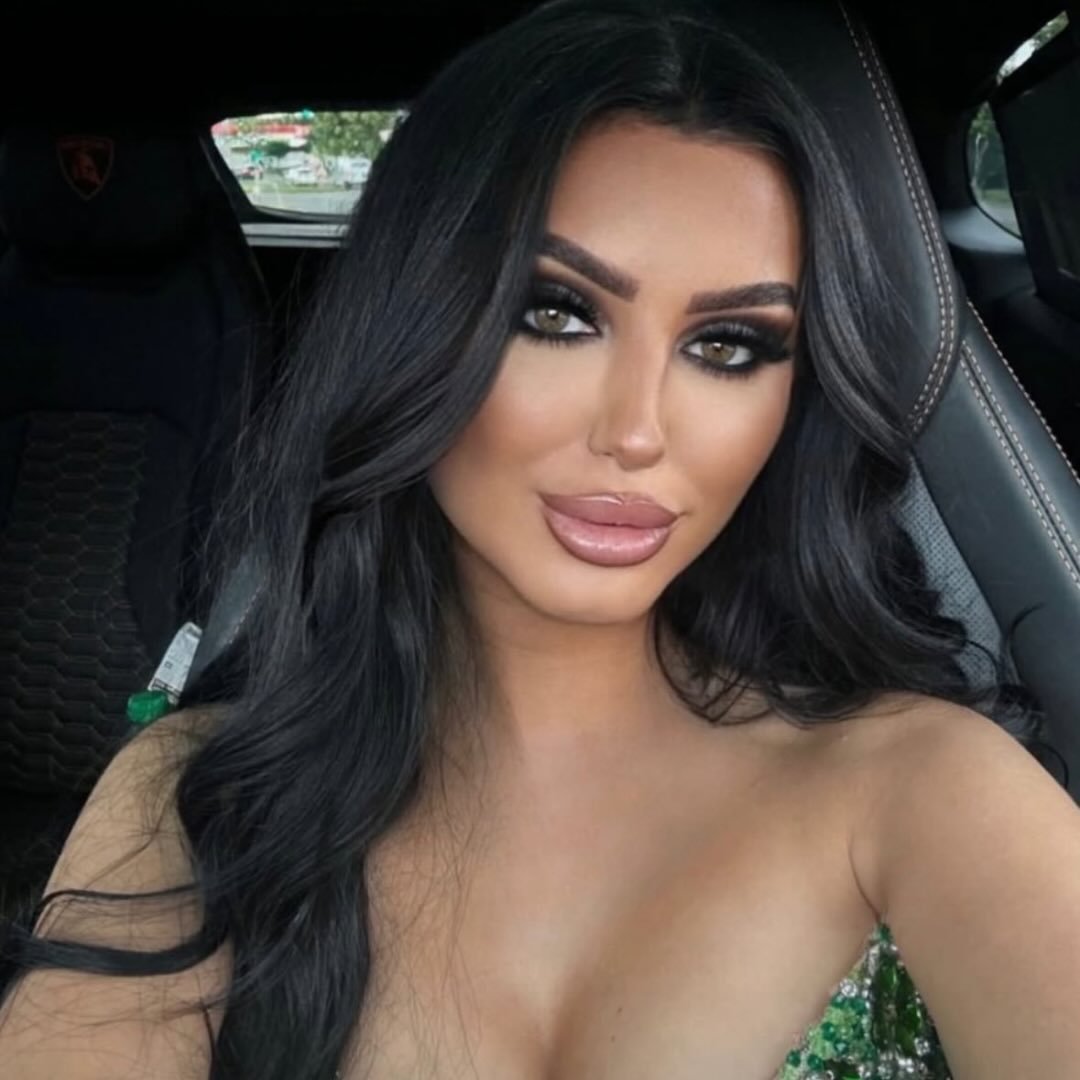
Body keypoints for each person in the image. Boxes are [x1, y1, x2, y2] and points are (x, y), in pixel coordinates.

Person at [3, 1, 1080, 1077]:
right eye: (556, 314)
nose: (638, 432)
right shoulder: (196, 797)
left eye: (728, 345)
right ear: (416, 331)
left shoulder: (927, 791)